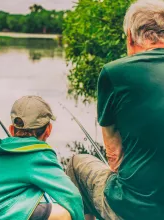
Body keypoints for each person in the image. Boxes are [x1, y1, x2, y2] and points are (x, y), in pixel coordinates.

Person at [66, 0, 164, 219]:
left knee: (76, 164)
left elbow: (114, 156)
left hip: (135, 209)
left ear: (130, 36)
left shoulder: (115, 72)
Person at [0, 96, 84, 220]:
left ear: (12, 130)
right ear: (48, 130)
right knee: (63, 214)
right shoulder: (38, 155)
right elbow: (72, 197)